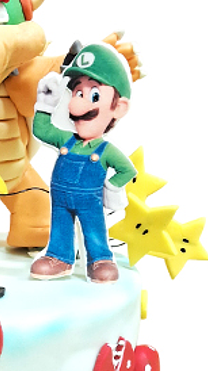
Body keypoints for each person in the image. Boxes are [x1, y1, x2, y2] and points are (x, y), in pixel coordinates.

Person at [30, 43, 136, 283]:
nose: (79, 103)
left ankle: (100, 259)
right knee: (60, 226)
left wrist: (111, 188)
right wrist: (45, 103)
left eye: (94, 95)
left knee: (94, 229)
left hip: (91, 203)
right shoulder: (66, 140)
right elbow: (42, 130)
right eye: (78, 93)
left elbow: (127, 169)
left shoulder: (106, 151)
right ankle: (59, 257)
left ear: (118, 107)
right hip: (60, 201)